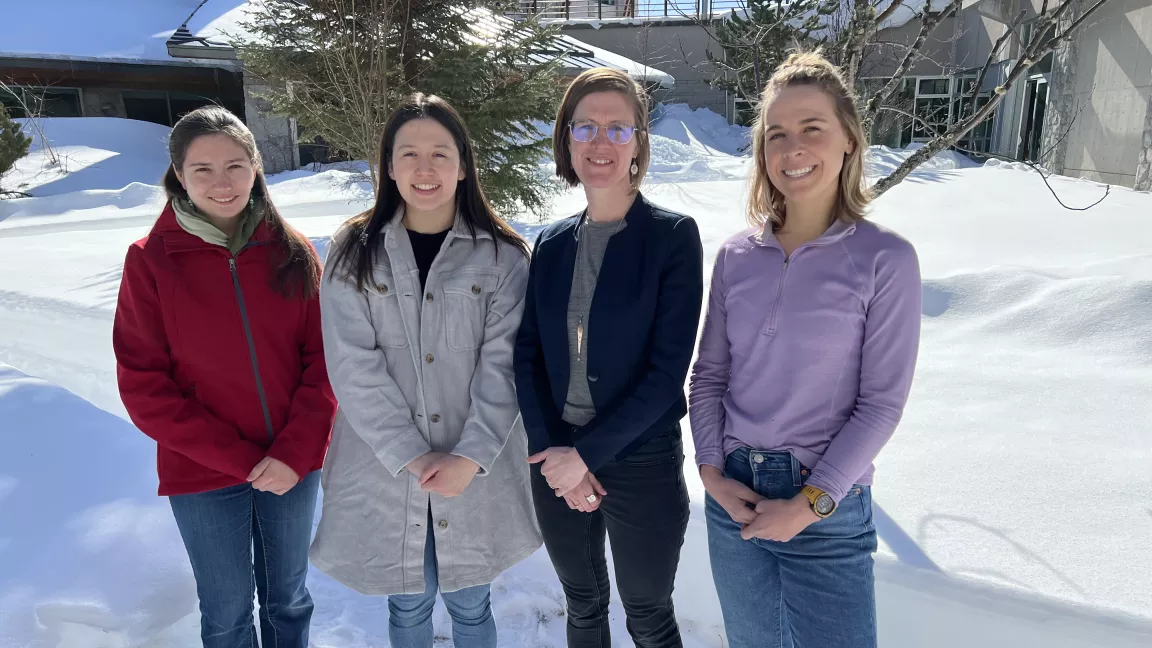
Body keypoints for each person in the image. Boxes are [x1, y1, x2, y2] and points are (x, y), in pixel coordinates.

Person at [688, 51, 922, 648]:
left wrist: (809, 503)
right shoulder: (737, 256)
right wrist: (712, 471)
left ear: (848, 139)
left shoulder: (885, 260)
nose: (793, 149)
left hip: (825, 503)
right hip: (733, 496)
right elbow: (709, 376)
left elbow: (881, 404)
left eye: (812, 128)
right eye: (777, 134)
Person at [309, 93, 541, 648]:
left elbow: (504, 366)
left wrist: (470, 457)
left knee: (470, 601)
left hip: (474, 468)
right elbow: (352, 365)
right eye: (408, 153)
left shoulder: (503, 257)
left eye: (440, 153)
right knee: (408, 603)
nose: (425, 168)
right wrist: (411, 454)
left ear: (463, 165)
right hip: (387, 468)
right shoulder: (352, 251)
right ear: (389, 165)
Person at [113, 106, 335, 648]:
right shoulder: (151, 261)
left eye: (235, 165)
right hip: (203, 473)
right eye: (203, 169)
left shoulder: (293, 251)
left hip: (290, 465)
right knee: (228, 613)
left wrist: (294, 453)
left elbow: (326, 362)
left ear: (257, 166)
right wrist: (240, 461)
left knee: (289, 601)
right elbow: (144, 385)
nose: (222, 182)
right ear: (179, 176)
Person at [513, 67, 704, 648]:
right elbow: (528, 356)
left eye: (619, 129)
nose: (601, 142)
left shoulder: (673, 237)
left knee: (647, 614)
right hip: (555, 455)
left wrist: (585, 456)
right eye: (586, 126)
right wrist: (553, 451)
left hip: (640, 459)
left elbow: (667, 372)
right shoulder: (549, 243)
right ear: (566, 140)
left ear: (639, 143)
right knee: (584, 606)